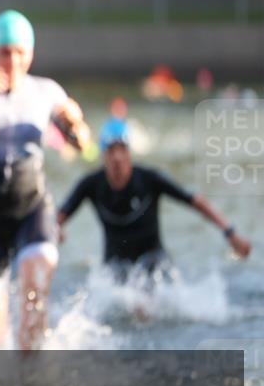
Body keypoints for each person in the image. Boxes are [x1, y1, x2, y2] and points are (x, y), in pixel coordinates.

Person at [0, 10, 90, 352]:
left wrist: (74, 125)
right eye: (4, 52)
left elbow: (83, 146)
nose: (11, 61)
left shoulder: (46, 91)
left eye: (19, 52)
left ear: (31, 54)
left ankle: (31, 374)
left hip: (31, 207)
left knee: (35, 289)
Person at [58, 118, 251, 286]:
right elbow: (59, 217)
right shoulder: (91, 184)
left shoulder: (150, 179)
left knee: (144, 298)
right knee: (119, 290)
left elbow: (195, 201)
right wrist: (54, 232)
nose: (117, 157)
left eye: (122, 149)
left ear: (129, 152)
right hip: (115, 265)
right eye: (110, 150)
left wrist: (230, 233)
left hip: (153, 260)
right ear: (102, 153)